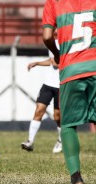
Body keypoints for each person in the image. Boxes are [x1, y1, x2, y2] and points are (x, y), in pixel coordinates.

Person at [42, 0, 96, 183]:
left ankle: (76, 177)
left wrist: (56, 53)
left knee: (68, 125)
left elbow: (47, 36)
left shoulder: (54, 2)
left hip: (71, 70)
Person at [21, 48, 62, 153]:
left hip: (61, 85)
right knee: (39, 110)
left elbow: (57, 62)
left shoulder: (66, 41)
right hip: (48, 84)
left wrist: (56, 61)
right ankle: (30, 141)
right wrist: (37, 63)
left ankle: (61, 139)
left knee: (57, 116)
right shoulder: (51, 42)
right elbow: (52, 61)